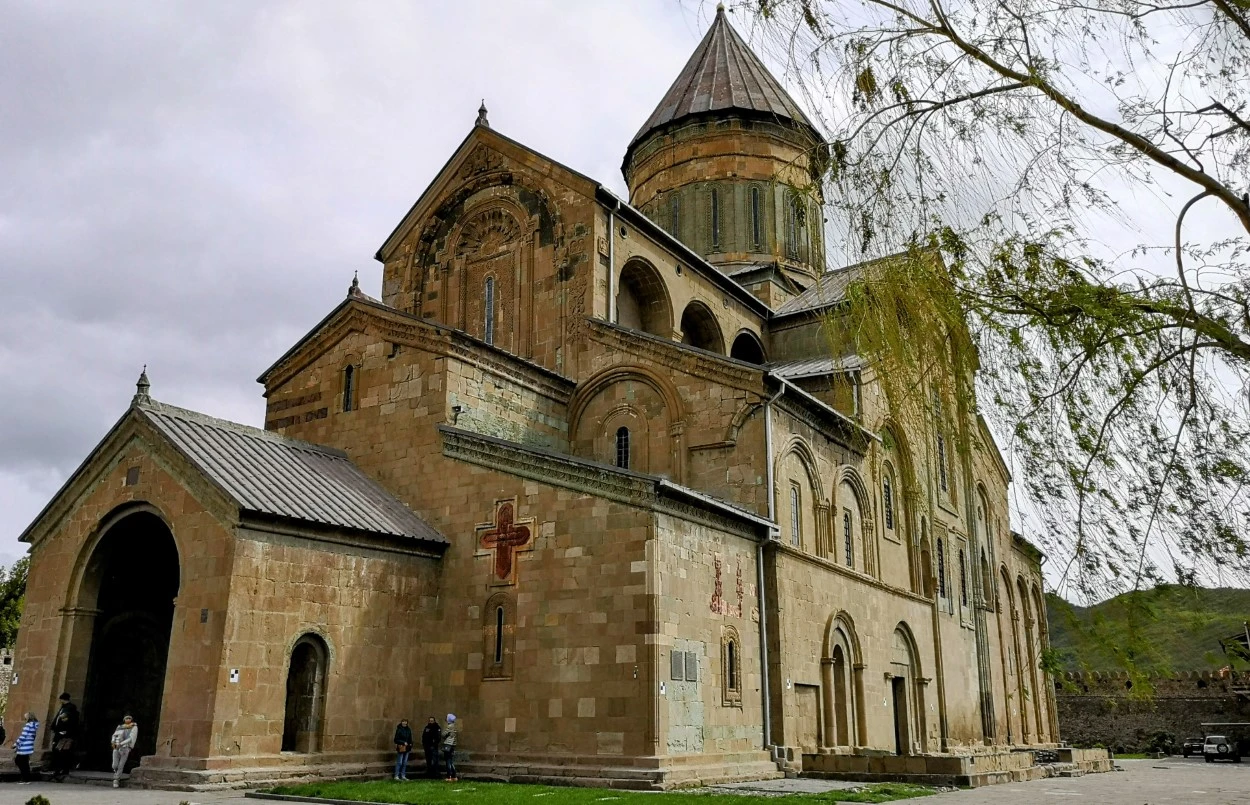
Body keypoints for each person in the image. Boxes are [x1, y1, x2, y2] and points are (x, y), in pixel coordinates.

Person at [49, 691, 80, 781]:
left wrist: (64, 730)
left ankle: (60, 769)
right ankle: (59, 769)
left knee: (61, 751)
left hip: (64, 734)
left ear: (63, 699)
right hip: (60, 733)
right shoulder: (64, 708)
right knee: (59, 750)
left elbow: (66, 719)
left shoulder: (70, 708)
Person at [110, 714, 138, 789]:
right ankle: (116, 773)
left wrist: (121, 744)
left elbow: (131, 737)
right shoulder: (120, 727)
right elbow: (114, 735)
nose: (128, 719)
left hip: (125, 748)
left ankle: (116, 779)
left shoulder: (134, 727)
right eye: (126, 718)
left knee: (121, 765)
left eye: (129, 718)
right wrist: (113, 742)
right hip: (116, 747)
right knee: (114, 765)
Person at [14, 712, 39, 784]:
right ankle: (27, 778)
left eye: (25, 717)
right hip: (29, 745)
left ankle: (24, 778)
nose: (25, 718)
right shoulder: (34, 725)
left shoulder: (28, 725)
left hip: (24, 746)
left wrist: (16, 744)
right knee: (25, 762)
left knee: (19, 761)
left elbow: (23, 736)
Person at [441, 713, 459, 782]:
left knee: (448, 761)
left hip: (448, 744)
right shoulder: (454, 726)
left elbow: (444, 734)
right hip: (453, 745)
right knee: (451, 761)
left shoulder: (449, 726)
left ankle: (449, 776)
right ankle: (454, 776)